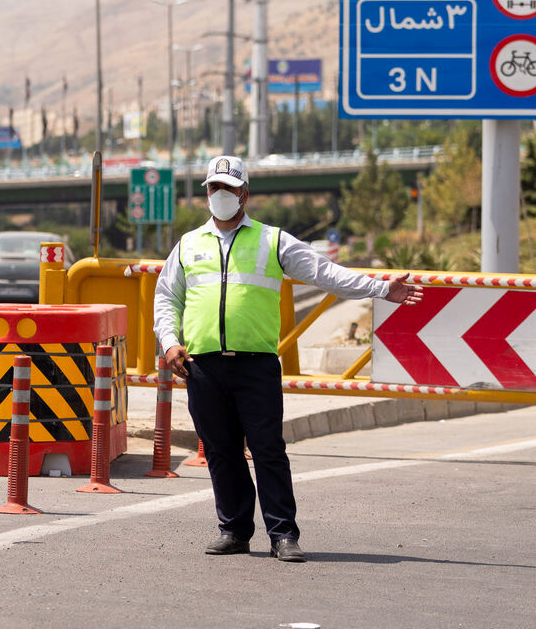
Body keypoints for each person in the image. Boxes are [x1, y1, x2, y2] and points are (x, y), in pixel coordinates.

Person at [153, 155, 423, 563]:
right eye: (214, 187)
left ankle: (283, 534)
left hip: (255, 365)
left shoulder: (272, 240)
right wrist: (170, 342)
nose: (220, 194)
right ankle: (234, 531)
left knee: (268, 450)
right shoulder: (188, 244)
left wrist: (381, 288)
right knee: (221, 451)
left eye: (228, 188)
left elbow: (326, 273)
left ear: (244, 194)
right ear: (206, 192)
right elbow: (166, 298)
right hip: (203, 365)